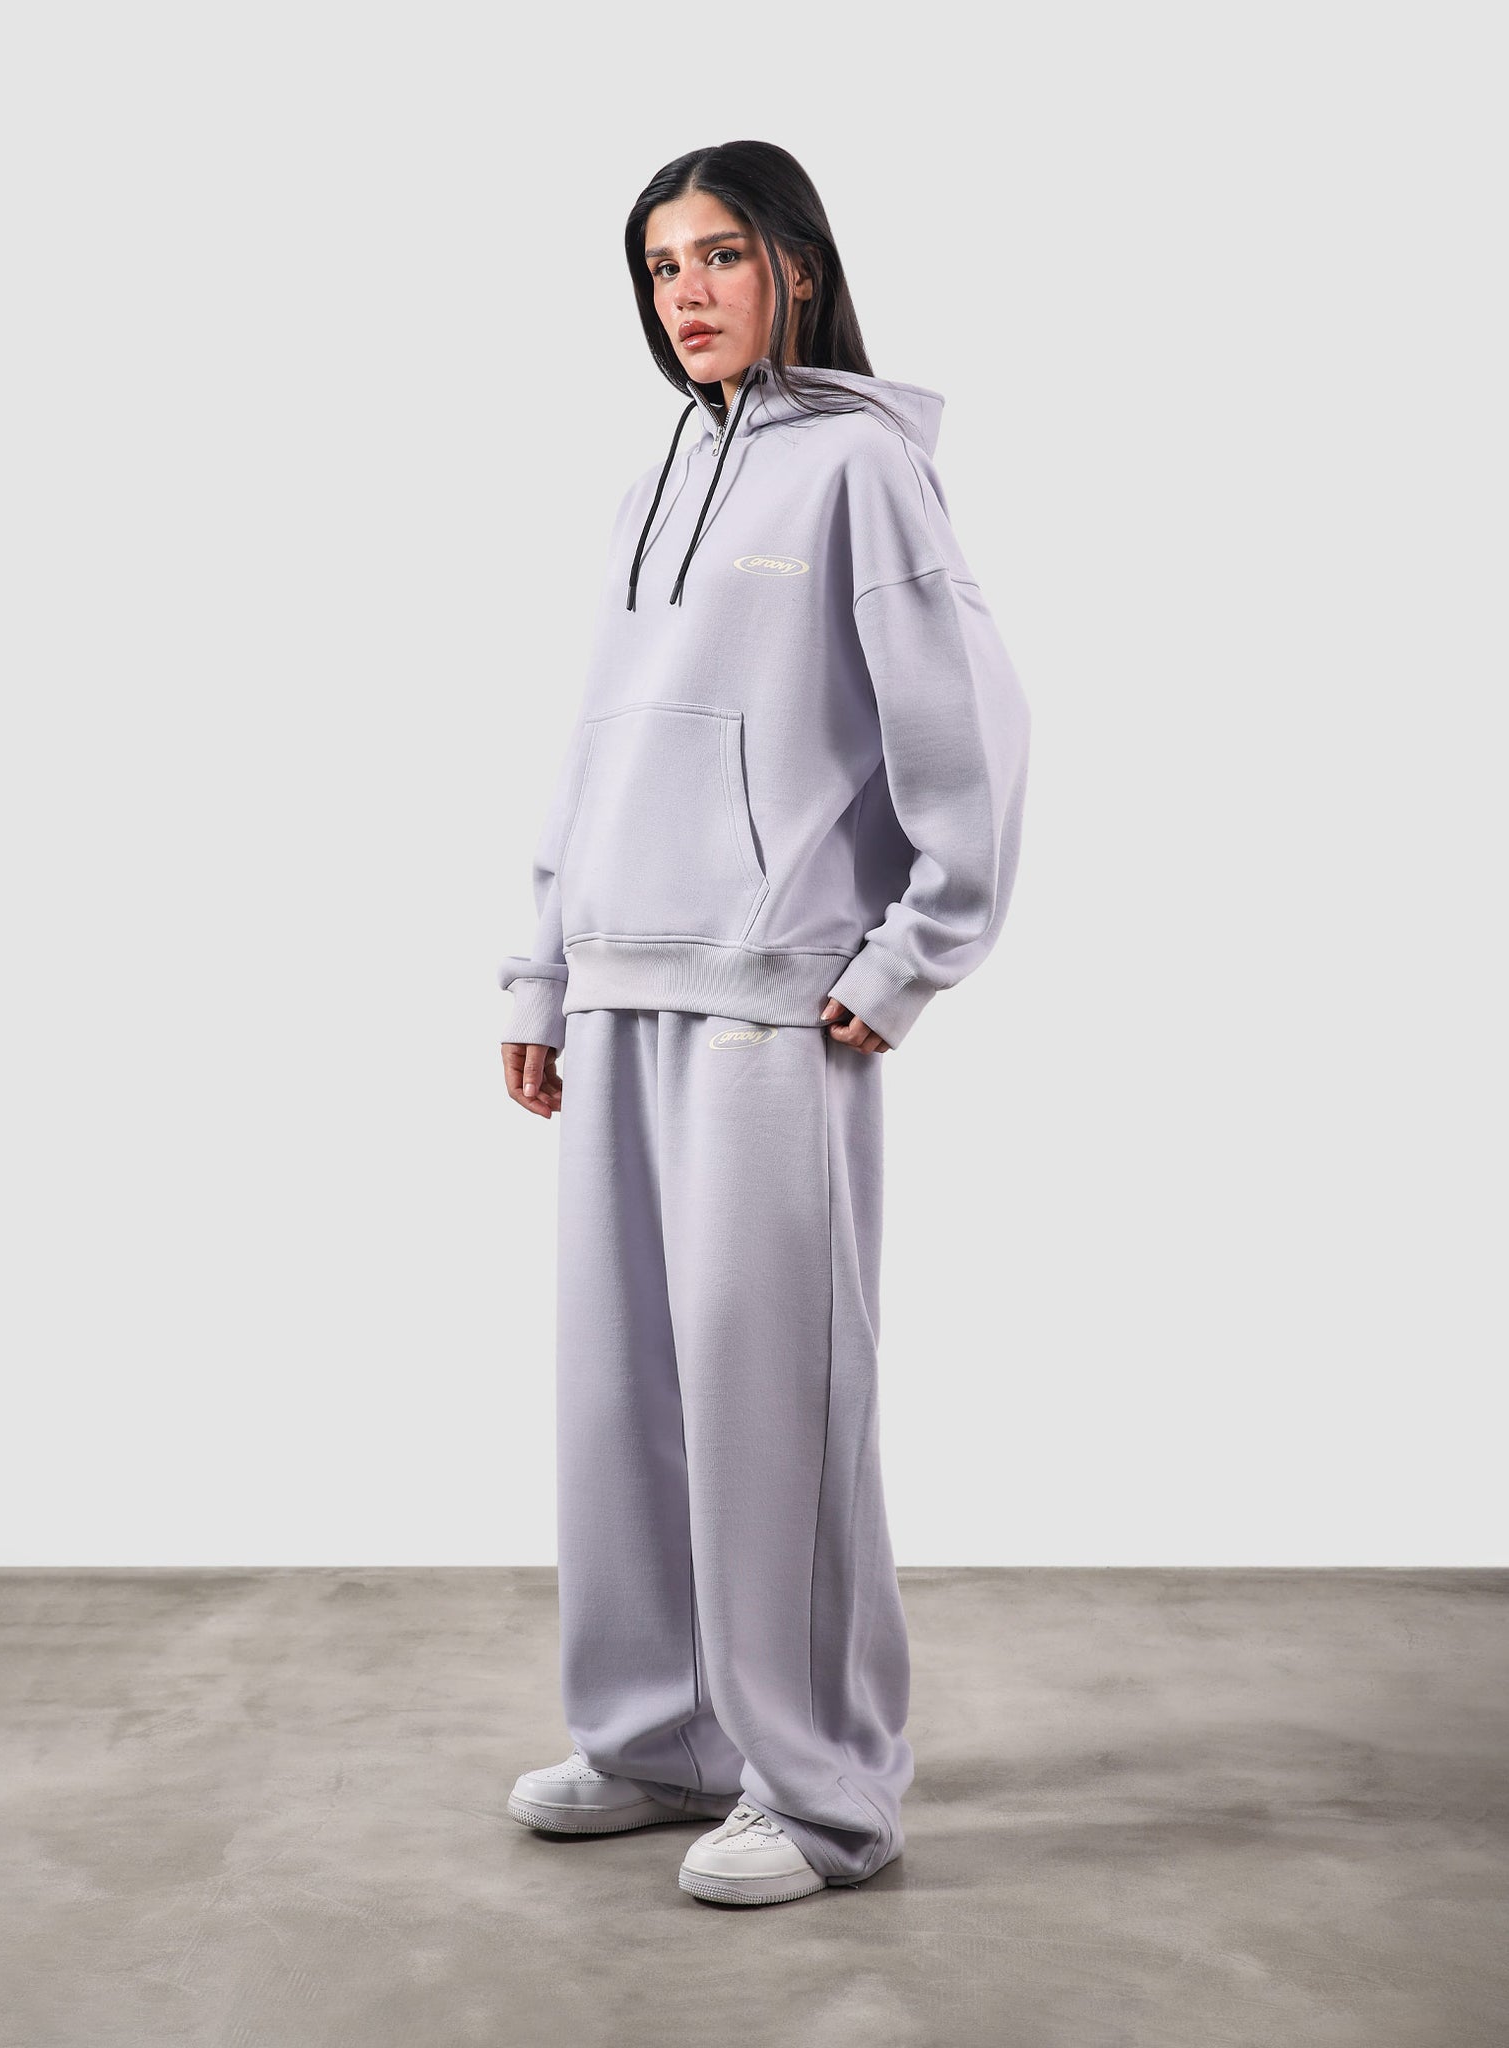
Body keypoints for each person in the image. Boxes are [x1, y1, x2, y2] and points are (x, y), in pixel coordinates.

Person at [497, 139, 1032, 1908]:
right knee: (623, 1401)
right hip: (620, 992)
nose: (690, 293)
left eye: (720, 255)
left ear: (796, 263)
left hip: (769, 1007)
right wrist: (542, 969)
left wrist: (909, 957)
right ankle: (661, 1741)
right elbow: (599, 748)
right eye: (663, 267)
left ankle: (821, 1794)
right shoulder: (660, 474)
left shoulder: (863, 466)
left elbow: (966, 728)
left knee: (765, 1405)